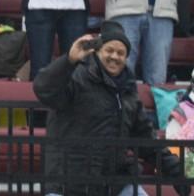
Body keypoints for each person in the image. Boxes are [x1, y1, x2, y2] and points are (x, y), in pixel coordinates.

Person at [33, 22, 187, 196]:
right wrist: (68, 60)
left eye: (121, 53)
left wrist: (178, 173)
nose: (115, 56)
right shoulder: (76, 76)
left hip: (114, 186)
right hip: (68, 185)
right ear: (97, 52)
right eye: (109, 50)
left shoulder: (128, 93)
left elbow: (147, 142)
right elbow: (43, 89)